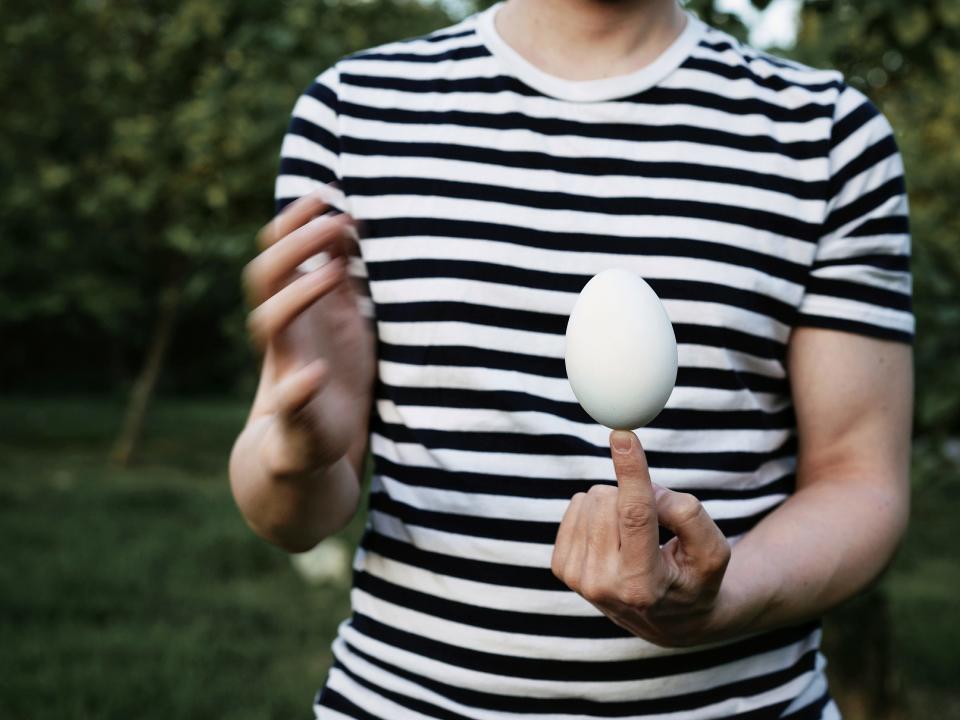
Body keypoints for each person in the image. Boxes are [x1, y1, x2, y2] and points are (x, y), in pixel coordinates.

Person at [229, 0, 914, 716]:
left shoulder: (827, 135)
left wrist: (728, 592)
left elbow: (861, 478)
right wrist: (299, 453)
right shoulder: (356, 112)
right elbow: (289, 515)